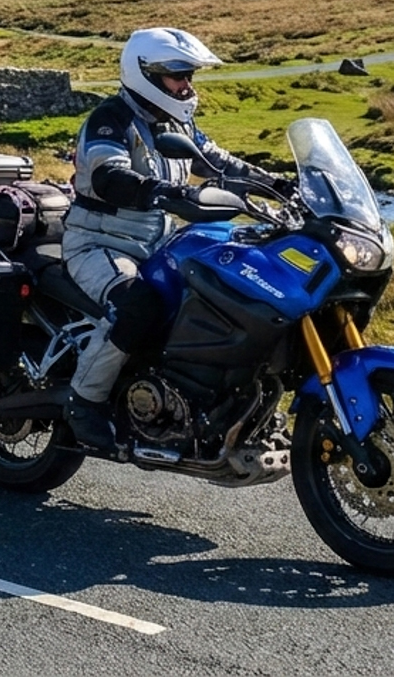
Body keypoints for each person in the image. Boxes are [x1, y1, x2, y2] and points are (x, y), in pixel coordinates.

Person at [61, 28, 287, 450]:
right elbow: (109, 174)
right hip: (100, 243)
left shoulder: (176, 123)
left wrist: (278, 185)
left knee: (218, 292)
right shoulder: (111, 119)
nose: (186, 85)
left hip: (159, 242)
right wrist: (163, 192)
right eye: (178, 75)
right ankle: (84, 401)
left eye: (189, 76)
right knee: (137, 304)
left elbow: (218, 162)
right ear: (146, 73)